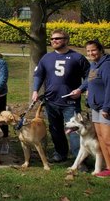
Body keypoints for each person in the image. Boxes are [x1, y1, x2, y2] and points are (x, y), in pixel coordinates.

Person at [32, 29, 89, 163]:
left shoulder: (77, 58)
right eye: (52, 39)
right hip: (51, 100)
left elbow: (89, 76)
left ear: (66, 40)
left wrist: (81, 89)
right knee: (55, 130)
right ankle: (60, 153)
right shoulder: (46, 58)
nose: (54, 41)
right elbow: (39, 75)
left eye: (57, 38)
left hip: (70, 102)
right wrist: (35, 90)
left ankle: (80, 160)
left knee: (75, 131)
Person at [75, 40, 110, 177]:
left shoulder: (106, 65)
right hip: (95, 107)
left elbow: (109, 87)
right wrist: (79, 90)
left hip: (105, 108)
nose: (91, 53)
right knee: (101, 138)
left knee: (107, 139)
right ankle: (107, 167)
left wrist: (107, 107)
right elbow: (88, 81)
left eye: (93, 50)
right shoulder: (94, 65)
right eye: (88, 51)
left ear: (101, 50)